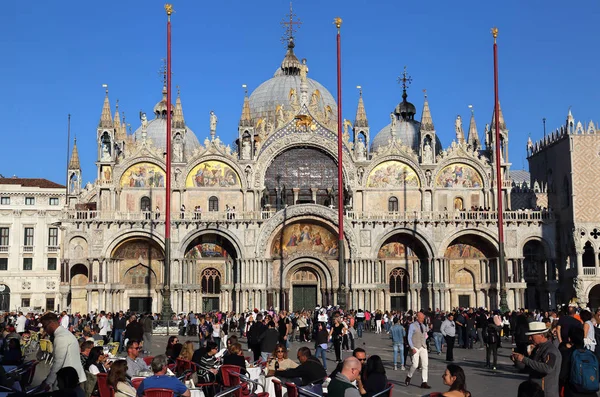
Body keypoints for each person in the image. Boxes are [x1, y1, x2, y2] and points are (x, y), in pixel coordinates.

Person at [512, 321, 561, 397]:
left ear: (541, 335)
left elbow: (547, 368)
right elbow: (529, 367)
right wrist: (517, 361)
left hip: (546, 393)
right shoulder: (537, 348)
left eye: (532, 336)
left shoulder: (551, 350)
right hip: (535, 392)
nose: (530, 338)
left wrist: (524, 359)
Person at [39, 312, 86, 391]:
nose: (45, 330)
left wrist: (48, 382)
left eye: (45, 327)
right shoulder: (65, 333)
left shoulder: (61, 337)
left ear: (51, 324)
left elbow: (58, 362)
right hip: (73, 377)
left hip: (68, 380)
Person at [559, 326, 599, 397]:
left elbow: (562, 375)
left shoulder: (568, 354)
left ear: (569, 339)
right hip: (591, 392)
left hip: (573, 391)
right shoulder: (592, 354)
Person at [405, 312, 431, 389]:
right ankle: (409, 376)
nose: (423, 319)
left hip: (423, 346)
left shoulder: (423, 325)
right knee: (415, 364)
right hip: (415, 346)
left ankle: (424, 381)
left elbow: (426, 334)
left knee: (425, 364)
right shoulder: (412, 326)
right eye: (422, 318)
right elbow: (409, 337)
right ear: (417, 318)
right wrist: (412, 347)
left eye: (423, 318)